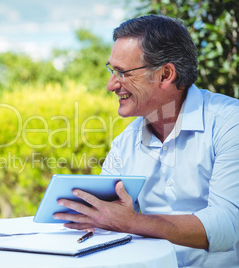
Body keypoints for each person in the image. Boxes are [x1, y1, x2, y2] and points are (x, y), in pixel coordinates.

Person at [53, 14, 239, 267]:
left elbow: (227, 226)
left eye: (122, 73)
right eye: (111, 71)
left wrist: (131, 221)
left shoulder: (230, 123)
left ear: (165, 74)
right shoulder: (125, 142)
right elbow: (104, 218)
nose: (110, 85)